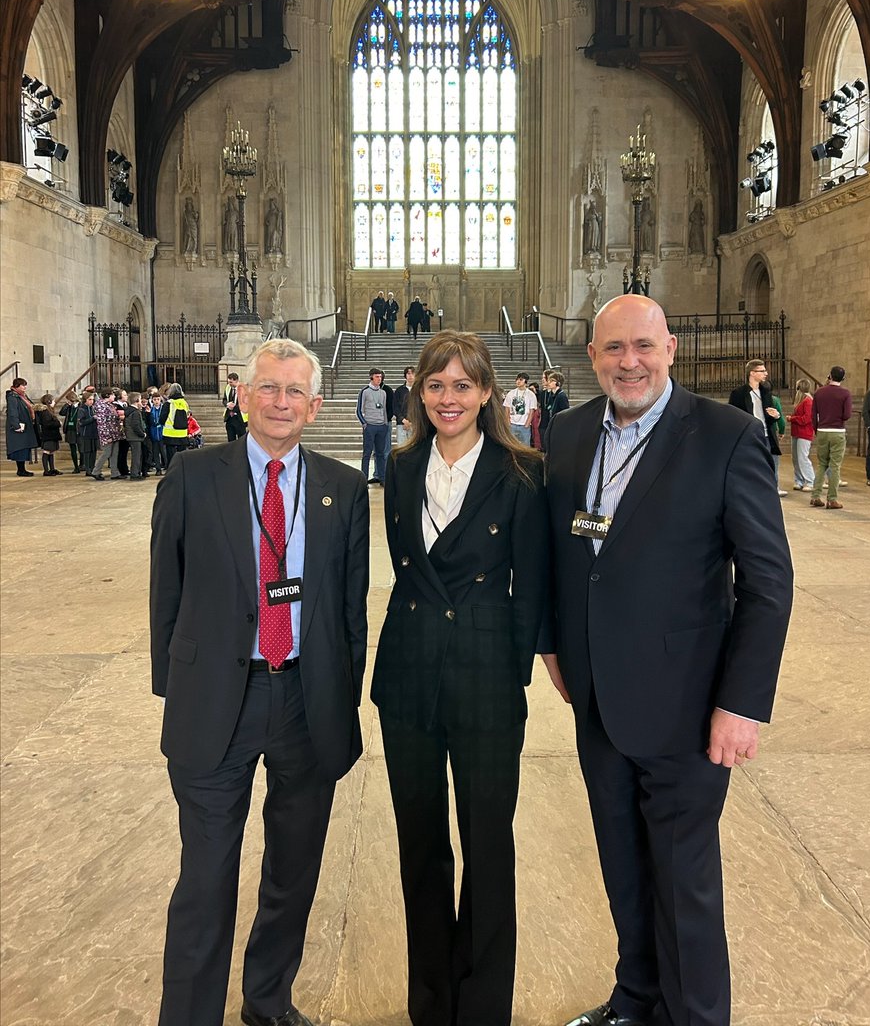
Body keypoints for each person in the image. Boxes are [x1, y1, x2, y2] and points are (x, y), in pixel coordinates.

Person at [542, 295, 792, 1026]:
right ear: (591, 356)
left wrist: (741, 703)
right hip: (598, 702)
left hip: (688, 706)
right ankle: (636, 999)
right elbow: (563, 554)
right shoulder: (566, 433)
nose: (629, 362)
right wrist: (552, 643)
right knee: (622, 866)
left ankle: (694, 1016)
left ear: (670, 348)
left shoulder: (724, 435)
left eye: (643, 346)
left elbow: (766, 583)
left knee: (683, 882)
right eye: (613, 348)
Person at [150, 337, 369, 1026]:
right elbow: (166, 590)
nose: (280, 402)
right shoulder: (193, 476)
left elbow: (349, 607)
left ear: (315, 404)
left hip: (306, 698)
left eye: (293, 391)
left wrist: (339, 692)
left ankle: (268, 1001)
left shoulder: (341, 486)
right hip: (220, 696)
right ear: (241, 397)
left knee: (292, 870)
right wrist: (175, 687)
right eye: (267, 388)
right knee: (207, 876)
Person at [371, 330, 549, 1026]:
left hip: (485, 676)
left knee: (486, 845)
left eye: (462, 386)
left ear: (486, 394)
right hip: (408, 676)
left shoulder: (522, 471)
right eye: (435, 385)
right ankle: (430, 1003)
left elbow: (529, 586)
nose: (448, 399)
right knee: (419, 844)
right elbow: (405, 568)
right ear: (418, 392)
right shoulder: (401, 465)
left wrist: (516, 671)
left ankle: (480, 1008)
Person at [728, 359, 785, 495]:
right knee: (750, 467)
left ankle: (770, 492)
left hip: (767, 435)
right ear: (752, 373)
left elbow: (769, 415)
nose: (766, 373)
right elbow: (732, 416)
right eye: (762, 371)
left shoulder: (766, 392)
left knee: (771, 466)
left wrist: (776, 416)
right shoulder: (739, 394)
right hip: (749, 436)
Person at [810, 365, 853, 509]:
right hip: (837, 432)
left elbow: (813, 414)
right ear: (843, 378)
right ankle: (832, 499)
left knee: (822, 464)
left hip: (822, 430)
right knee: (835, 466)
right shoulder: (845, 393)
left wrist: (817, 429)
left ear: (830, 376)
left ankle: (815, 496)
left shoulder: (819, 392)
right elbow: (847, 415)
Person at [356, 367, 391, 485]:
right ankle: (363, 478)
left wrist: (385, 423)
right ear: (371, 377)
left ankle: (382, 477)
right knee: (367, 453)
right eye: (377, 377)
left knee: (380, 453)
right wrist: (364, 424)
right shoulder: (365, 391)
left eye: (380, 377)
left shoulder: (383, 393)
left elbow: (385, 409)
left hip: (381, 425)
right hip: (370, 425)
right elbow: (359, 410)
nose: (379, 379)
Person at [787, 378, 815, 491]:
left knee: (803, 457)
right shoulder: (800, 400)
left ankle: (809, 481)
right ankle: (799, 480)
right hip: (796, 432)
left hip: (804, 433)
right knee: (795, 458)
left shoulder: (808, 401)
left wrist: (792, 418)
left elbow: (806, 419)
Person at [6, 377, 38, 476]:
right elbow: (12, 412)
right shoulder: (13, 397)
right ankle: (21, 469)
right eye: (23, 385)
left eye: (25, 385)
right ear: (16, 386)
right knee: (20, 447)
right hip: (19, 426)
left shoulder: (22, 396)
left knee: (24, 447)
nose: (25, 387)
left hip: (26, 425)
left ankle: (22, 469)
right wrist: (16, 425)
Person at [90, 388, 124, 480]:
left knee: (114, 453)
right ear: (107, 395)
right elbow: (102, 422)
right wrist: (107, 436)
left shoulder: (110, 405)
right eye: (112, 394)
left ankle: (114, 472)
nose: (114, 396)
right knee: (107, 452)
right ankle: (96, 471)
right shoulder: (100, 405)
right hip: (107, 433)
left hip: (115, 432)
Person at [160, 382, 190, 466]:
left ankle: (172, 470)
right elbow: (188, 416)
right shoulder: (185, 403)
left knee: (171, 456)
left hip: (170, 433)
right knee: (182, 456)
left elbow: (162, 418)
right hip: (182, 433)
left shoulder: (169, 403)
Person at [502, 372, 537, 446]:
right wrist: (508, 422)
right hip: (512, 424)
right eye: (517, 379)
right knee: (511, 445)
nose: (518, 381)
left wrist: (527, 424)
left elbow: (532, 411)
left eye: (521, 380)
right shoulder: (511, 393)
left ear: (526, 381)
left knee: (525, 446)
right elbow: (507, 408)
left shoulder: (531, 394)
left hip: (524, 425)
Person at [34, 394, 63, 475]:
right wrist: (58, 423)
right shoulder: (45, 411)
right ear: (49, 401)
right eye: (53, 400)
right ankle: (46, 471)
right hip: (48, 435)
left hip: (52, 434)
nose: (54, 402)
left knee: (51, 452)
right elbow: (47, 423)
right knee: (46, 452)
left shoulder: (49, 410)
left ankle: (52, 469)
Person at [542, 370, 570, 448]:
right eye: (549, 381)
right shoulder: (552, 395)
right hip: (552, 423)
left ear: (558, 383)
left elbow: (565, 412)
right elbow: (548, 407)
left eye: (552, 381)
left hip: (558, 425)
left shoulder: (561, 396)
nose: (549, 383)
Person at [123, 392, 146, 479]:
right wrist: (142, 434)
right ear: (137, 401)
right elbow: (136, 425)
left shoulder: (129, 411)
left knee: (136, 455)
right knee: (136, 456)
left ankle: (135, 472)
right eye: (140, 400)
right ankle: (135, 474)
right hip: (135, 437)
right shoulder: (135, 412)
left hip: (130, 436)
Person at [76, 391, 98, 478]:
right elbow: (81, 422)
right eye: (89, 399)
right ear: (85, 400)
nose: (91, 401)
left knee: (94, 451)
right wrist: (93, 418)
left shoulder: (92, 408)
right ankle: (88, 469)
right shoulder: (82, 409)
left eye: (92, 399)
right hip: (86, 433)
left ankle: (93, 468)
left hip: (94, 432)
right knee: (87, 451)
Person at [58, 389, 81, 472]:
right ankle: (76, 467)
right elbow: (61, 413)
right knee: (73, 449)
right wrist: (66, 405)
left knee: (81, 449)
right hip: (70, 430)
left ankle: (82, 464)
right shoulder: (69, 407)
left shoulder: (80, 406)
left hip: (78, 429)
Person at [393, 366, 416, 446]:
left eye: (412, 373)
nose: (410, 376)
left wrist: (412, 422)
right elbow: (395, 407)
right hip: (401, 424)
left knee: (414, 448)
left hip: (415, 424)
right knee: (402, 448)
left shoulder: (419, 390)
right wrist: (403, 420)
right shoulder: (399, 391)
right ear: (405, 375)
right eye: (408, 373)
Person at [145, 392, 167, 474]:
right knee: (155, 452)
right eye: (154, 399)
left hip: (162, 433)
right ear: (152, 400)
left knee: (164, 452)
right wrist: (149, 414)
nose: (156, 401)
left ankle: (166, 466)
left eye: (158, 399)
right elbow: (150, 421)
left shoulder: (163, 408)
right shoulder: (151, 409)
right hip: (154, 434)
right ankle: (158, 469)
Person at [222, 372, 247, 442]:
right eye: (229, 382)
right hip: (229, 418)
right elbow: (224, 399)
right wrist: (227, 404)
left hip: (239, 418)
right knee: (230, 440)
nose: (229, 384)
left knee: (241, 440)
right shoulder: (228, 388)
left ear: (236, 380)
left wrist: (234, 407)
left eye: (231, 382)